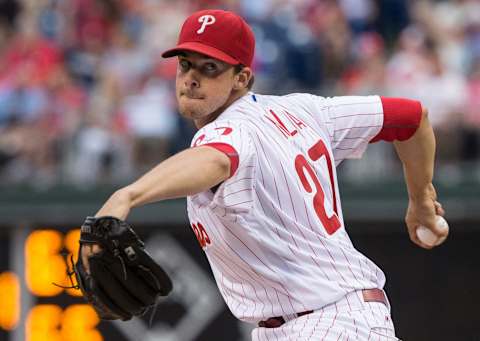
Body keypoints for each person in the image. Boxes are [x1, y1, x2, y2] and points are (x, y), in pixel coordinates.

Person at [81, 9, 447, 340]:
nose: (191, 78)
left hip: (324, 324)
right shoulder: (305, 110)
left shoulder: (226, 130)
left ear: (242, 77)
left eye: (210, 68)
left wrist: (125, 196)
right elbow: (411, 118)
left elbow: (217, 160)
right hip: (333, 319)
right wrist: (421, 199)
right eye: (185, 64)